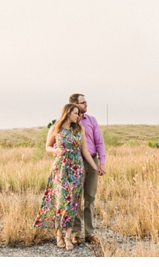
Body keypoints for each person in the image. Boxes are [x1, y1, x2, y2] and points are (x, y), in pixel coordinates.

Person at [34, 103, 100, 251]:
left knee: (73, 203)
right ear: (68, 113)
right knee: (60, 201)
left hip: (77, 169)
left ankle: (68, 236)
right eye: (76, 113)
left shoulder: (79, 129)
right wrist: (55, 150)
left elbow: (85, 152)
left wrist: (95, 167)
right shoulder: (55, 128)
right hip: (61, 168)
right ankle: (58, 234)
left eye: (78, 113)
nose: (78, 116)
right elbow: (48, 147)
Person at [69, 93, 106, 245]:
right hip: (75, 162)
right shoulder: (69, 123)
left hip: (93, 160)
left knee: (90, 197)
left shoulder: (91, 120)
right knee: (76, 198)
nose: (86, 105)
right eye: (83, 103)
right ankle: (76, 233)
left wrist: (101, 163)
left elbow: (100, 142)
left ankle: (90, 233)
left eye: (86, 102)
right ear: (75, 105)